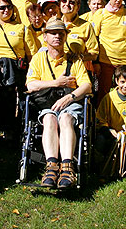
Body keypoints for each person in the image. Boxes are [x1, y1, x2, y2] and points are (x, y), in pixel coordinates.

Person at [26, 19, 92, 188]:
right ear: (45, 36)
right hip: (48, 104)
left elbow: (87, 85)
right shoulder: (38, 58)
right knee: (49, 118)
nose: (57, 36)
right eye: (53, 33)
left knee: (66, 118)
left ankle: (67, 167)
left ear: (65, 37)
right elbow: (31, 85)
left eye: (61, 34)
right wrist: (57, 83)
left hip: (70, 103)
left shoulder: (75, 60)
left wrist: (69, 98)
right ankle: (52, 166)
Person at [0, 0, 38, 140]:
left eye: (9, 7)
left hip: (14, 69)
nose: (6, 10)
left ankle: (12, 131)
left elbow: (32, 54)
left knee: (12, 100)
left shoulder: (21, 28)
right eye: (2, 7)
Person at [93, 0, 126, 101]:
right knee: (103, 93)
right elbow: (94, 39)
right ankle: (100, 118)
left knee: (124, 93)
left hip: (123, 61)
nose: (118, 0)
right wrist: (96, 61)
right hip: (105, 61)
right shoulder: (100, 14)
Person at [59, 0, 99, 73]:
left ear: (78, 7)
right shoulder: (54, 23)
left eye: (71, 2)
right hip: (56, 71)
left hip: (77, 72)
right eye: (64, 1)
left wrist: (79, 56)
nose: (67, 4)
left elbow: (94, 54)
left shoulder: (86, 26)